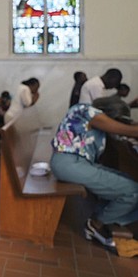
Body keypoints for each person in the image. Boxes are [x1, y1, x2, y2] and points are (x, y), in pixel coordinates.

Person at [49, 103, 138, 250]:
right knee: (133, 191)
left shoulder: (87, 114)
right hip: (70, 164)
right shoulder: (90, 112)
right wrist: (128, 128)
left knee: (126, 180)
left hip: (74, 163)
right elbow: (127, 130)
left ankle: (107, 218)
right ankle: (96, 224)